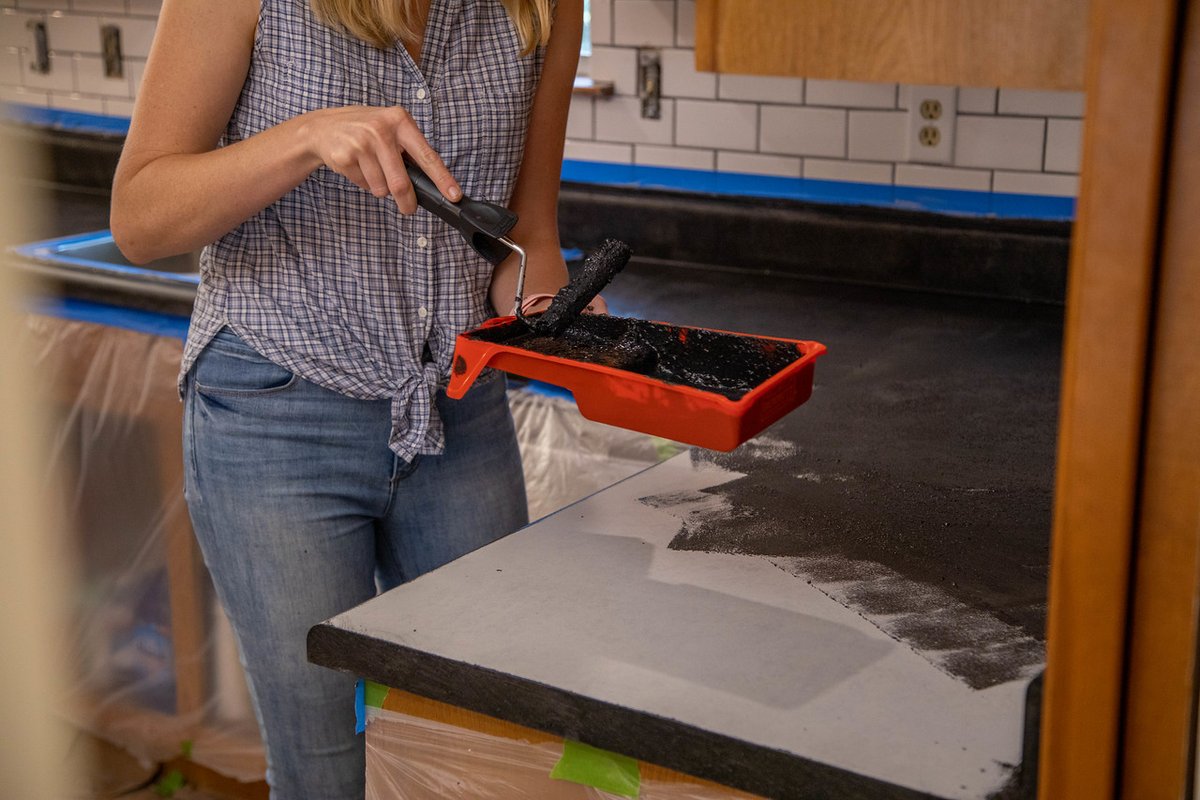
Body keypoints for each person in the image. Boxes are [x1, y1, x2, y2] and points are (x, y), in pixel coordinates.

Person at [110, 0, 584, 795]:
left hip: (457, 411)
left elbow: (525, 238)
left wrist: (565, 319)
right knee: (325, 768)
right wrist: (304, 137)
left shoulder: (542, 7)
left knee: (477, 756)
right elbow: (140, 218)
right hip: (275, 416)